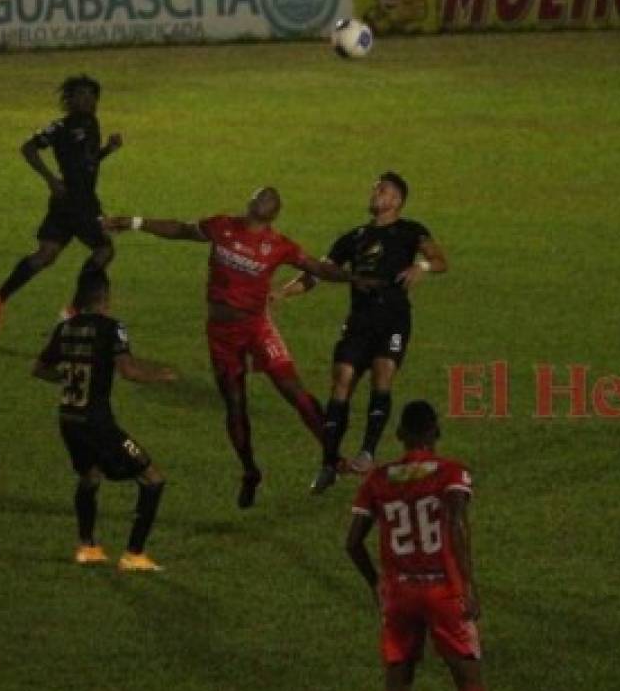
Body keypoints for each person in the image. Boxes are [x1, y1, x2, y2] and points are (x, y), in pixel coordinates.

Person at [103, 187, 380, 509]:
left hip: (257, 327)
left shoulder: (279, 245)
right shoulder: (222, 226)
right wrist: (136, 222)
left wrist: (351, 278)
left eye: (270, 198)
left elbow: (316, 268)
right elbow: (181, 229)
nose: (264, 198)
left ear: (274, 213)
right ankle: (250, 471)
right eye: (260, 195)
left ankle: (332, 457)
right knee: (235, 404)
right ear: (249, 202)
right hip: (222, 334)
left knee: (294, 390)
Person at [273, 172, 447, 492]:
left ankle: (367, 452)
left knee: (383, 374)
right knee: (341, 381)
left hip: (393, 319)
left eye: (382, 190)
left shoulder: (411, 231)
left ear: (396, 201)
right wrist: (282, 293)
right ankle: (329, 463)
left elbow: (439, 260)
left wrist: (420, 267)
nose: (375, 193)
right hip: (359, 320)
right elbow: (318, 273)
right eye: (375, 188)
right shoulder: (353, 238)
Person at [346, 400, 486, 691]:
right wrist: (467, 585)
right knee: (470, 683)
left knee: (396, 690)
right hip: (444, 590)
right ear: (436, 431)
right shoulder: (451, 472)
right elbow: (456, 523)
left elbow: (352, 543)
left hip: (399, 594)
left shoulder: (378, 479)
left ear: (399, 435)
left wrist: (375, 583)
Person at [32, 269, 175, 572]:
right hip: (98, 423)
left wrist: (68, 374)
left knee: (90, 476)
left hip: (69, 419)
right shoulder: (113, 327)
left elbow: (40, 369)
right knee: (153, 478)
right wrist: (162, 376)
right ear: (104, 298)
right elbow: (128, 371)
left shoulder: (65, 328)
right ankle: (134, 555)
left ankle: (87, 547)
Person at [0, 74, 123, 338]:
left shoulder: (92, 123)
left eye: (91, 95)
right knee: (104, 249)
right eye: (79, 95)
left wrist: (107, 150)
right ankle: (73, 311)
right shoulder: (61, 127)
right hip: (75, 200)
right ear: (69, 100)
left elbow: (87, 163)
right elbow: (27, 148)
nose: (87, 99)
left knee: (46, 254)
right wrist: (51, 180)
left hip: (73, 201)